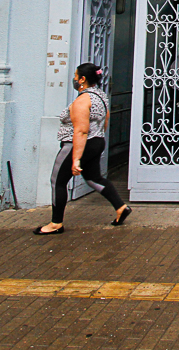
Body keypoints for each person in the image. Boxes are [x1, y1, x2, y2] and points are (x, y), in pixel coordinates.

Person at [34, 62, 130, 235]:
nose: (74, 79)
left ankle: (56, 223)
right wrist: (97, 140)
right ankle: (120, 207)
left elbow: (80, 130)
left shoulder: (83, 100)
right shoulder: (101, 97)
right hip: (97, 141)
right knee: (94, 178)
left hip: (76, 145)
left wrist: (76, 158)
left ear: (82, 79)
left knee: (58, 181)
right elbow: (105, 120)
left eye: (76, 76)